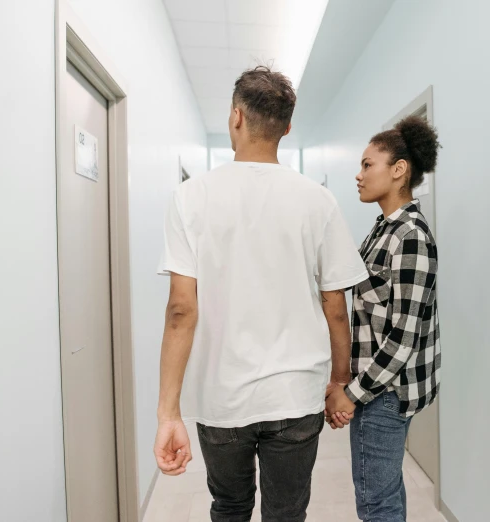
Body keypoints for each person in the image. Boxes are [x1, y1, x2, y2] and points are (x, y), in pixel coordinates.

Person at [153, 66, 368, 522]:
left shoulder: (191, 197)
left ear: (236, 117)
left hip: (221, 397)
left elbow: (180, 310)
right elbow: (335, 307)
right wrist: (338, 380)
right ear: (287, 127)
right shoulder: (318, 201)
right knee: (287, 514)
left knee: (229, 507)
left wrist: (169, 412)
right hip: (295, 395)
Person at [325, 116, 442, 522]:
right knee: (384, 495)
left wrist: (350, 395)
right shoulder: (382, 229)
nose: (358, 175)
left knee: (376, 503)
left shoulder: (410, 237)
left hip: (385, 395)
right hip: (371, 386)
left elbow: (401, 339)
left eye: (367, 164)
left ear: (398, 170)